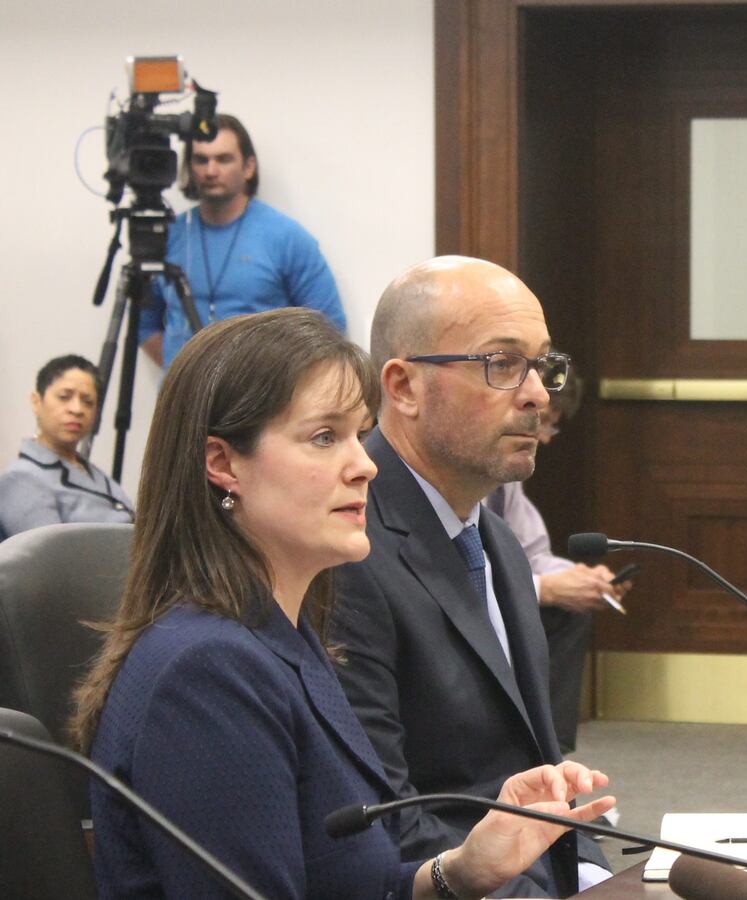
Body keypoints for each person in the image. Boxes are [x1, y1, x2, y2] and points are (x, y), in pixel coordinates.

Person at [68, 308, 613, 899]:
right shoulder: (208, 671)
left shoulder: (286, 635)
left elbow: (353, 885)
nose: (364, 465)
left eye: (359, 433)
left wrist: (461, 870)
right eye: (324, 438)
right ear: (223, 464)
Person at [331, 257, 610, 898]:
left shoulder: (497, 542)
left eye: (544, 365)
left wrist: (597, 879)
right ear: (402, 387)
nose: (540, 394)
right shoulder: (347, 548)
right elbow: (389, 825)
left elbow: (539, 767)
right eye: (502, 364)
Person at [484, 372, 632, 755]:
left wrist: (578, 578)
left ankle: (551, 755)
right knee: (553, 602)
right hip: (464, 607)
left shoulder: (509, 475)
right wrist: (545, 588)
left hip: (498, 597)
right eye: (544, 422)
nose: (546, 438)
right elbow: (459, 569)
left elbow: (530, 553)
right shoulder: (479, 463)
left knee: (571, 608)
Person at [140, 114, 344, 368]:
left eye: (223, 159)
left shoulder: (286, 238)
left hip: (262, 399)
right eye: (201, 160)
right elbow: (144, 323)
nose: (211, 171)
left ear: (248, 167)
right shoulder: (170, 236)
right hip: (184, 402)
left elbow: (330, 329)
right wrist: (185, 375)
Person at [0, 354, 134, 541]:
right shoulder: (19, 479)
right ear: (36, 401)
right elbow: (50, 556)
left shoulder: (90, 472)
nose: (77, 409)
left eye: (88, 402)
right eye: (64, 397)